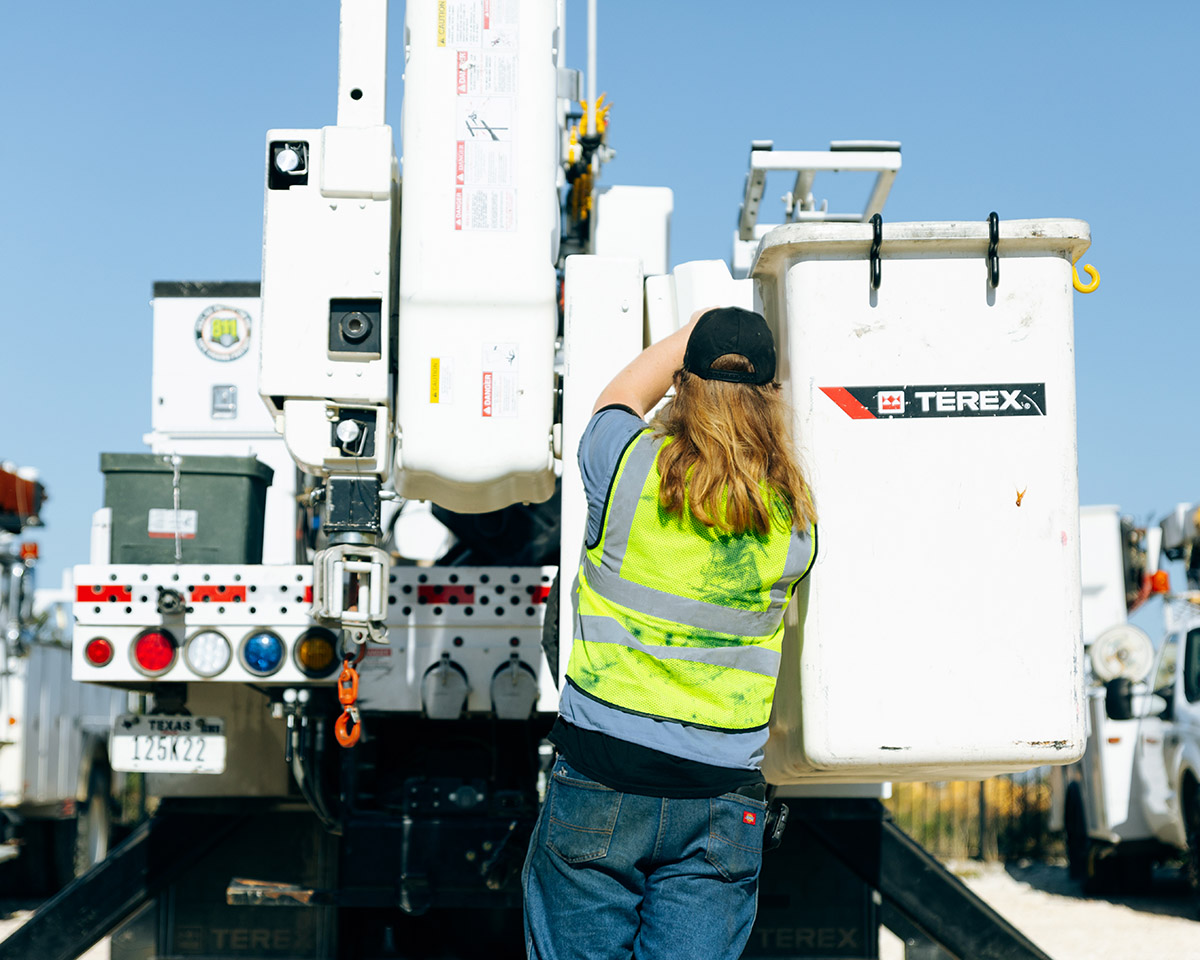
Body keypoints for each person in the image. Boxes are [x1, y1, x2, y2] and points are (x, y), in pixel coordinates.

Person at [522, 306, 818, 960]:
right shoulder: (794, 522)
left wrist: (693, 332)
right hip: (720, 803)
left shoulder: (626, 467)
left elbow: (621, 395)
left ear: (685, 384)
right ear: (771, 397)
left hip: (601, 780)